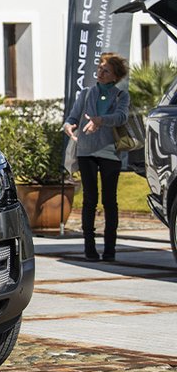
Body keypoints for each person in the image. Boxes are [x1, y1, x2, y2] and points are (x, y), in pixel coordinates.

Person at [63, 52, 130, 262]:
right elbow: (72, 117)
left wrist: (100, 120)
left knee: (110, 201)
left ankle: (110, 249)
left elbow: (121, 117)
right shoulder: (85, 93)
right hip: (86, 150)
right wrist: (68, 125)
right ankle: (89, 248)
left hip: (110, 152)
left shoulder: (121, 96)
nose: (100, 72)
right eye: (100, 68)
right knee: (89, 199)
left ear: (115, 76)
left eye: (106, 70)